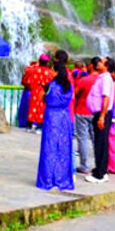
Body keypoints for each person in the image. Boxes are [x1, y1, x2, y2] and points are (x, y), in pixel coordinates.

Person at [36, 63, 75, 191]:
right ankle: (62, 178)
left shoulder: (49, 86)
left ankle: (47, 178)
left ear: (57, 72)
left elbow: (41, 97)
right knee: (63, 147)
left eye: (52, 70)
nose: (51, 72)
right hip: (64, 116)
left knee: (49, 146)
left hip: (51, 116)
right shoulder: (68, 86)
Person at [86, 57, 115, 183]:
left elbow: (106, 98)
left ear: (106, 66)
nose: (98, 63)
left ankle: (100, 174)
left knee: (101, 143)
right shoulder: (102, 77)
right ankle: (100, 168)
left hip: (102, 114)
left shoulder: (106, 79)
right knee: (99, 142)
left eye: (102, 62)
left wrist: (102, 116)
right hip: (98, 114)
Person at [73, 58, 99, 174]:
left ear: (91, 66)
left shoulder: (84, 80)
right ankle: (99, 164)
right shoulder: (101, 80)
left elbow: (74, 94)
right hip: (96, 112)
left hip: (82, 111)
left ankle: (84, 165)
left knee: (82, 139)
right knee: (96, 139)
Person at [22, 55, 55, 132]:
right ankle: (39, 127)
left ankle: (29, 126)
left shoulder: (33, 70)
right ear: (47, 62)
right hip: (43, 91)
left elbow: (26, 74)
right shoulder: (49, 72)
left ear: (39, 60)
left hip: (34, 91)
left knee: (32, 107)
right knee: (41, 108)